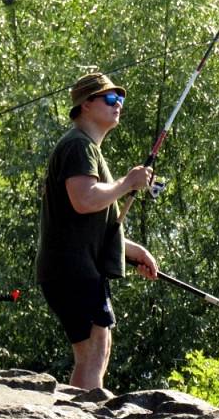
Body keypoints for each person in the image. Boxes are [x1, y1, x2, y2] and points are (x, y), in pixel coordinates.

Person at [36, 72, 158, 390]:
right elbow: (85, 200)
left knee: (92, 350)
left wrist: (135, 253)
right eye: (110, 99)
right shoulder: (79, 145)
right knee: (95, 347)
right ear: (87, 104)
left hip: (70, 268)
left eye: (120, 99)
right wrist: (127, 182)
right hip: (72, 269)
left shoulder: (86, 148)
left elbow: (92, 226)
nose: (118, 105)